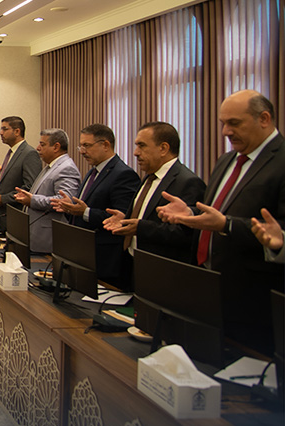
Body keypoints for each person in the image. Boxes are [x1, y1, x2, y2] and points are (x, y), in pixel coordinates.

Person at [158, 90, 284, 352]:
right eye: (223, 123)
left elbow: (275, 232)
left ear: (264, 119)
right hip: (206, 287)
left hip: (251, 299)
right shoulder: (227, 159)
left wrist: (228, 225)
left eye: (234, 123)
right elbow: (216, 214)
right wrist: (191, 213)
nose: (226, 131)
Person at [102, 122, 204, 264]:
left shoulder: (188, 182)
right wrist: (126, 219)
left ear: (163, 148)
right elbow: (146, 215)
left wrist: (141, 228)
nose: (135, 152)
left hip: (159, 267)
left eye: (142, 146)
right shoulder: (150, 176)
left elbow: (186, 234)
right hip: (132, 261)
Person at [53, 124, 140, 289]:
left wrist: (85, 212)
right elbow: (84, 208)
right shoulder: (93, 172)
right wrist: (70, 208)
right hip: (83, 254)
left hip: (105, 260)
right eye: (81, 146)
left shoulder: (124, 174)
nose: (82, 151)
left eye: (87, 145)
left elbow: (121, 219)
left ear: (105, 145)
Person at [13, 129, 80, 254]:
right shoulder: (51, 166)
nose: (38, 148)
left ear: (56, 147)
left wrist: (32, 200)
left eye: (42, 144)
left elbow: (64, 201)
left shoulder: (66, 168)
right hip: (35, 234)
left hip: (47, 238)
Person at [0, 116, 40, 233]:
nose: (1, 133)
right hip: (3, 216)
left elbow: (30, 188)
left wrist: (4, 199)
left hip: (16, 217)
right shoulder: (12, 152)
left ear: (17, 131)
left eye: (4, 129)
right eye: (0, 129)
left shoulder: (29, 153)